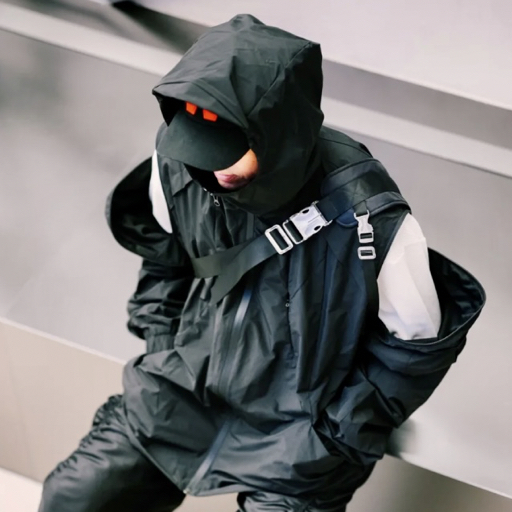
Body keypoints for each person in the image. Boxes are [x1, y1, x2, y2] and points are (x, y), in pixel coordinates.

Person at [39, 14, 485, 512]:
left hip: (298, 435)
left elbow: (415, 345)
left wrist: (338, 432)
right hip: (183, 392)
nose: (214, 166)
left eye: (229, 150)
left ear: (278, 135)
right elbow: (163, 256)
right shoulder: (182, 161)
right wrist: (163, 346)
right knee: (72, 498)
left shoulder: (371, 217)